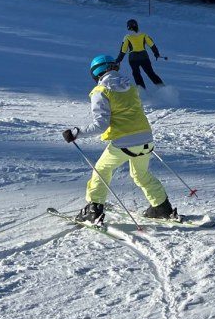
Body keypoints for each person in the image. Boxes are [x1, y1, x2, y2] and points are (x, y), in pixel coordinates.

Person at [62, 54, 179, 223]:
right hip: (146, 139)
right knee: (141, 174)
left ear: (96, 72)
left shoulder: (101, 91)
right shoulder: (130, 87)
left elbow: (101, 125)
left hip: (124, 142)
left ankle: (93, 210)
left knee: (101, 170)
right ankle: (162, 207)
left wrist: (76, 133)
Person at [117, 19, 164, 87]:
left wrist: (118, 60)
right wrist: (156, 54)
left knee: (136, 74)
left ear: (128, 27)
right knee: (150, 73)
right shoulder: (144, 35)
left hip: (133, 58)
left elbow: (123, 51)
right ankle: (163, 88)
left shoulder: (127, 37)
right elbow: (152, 45)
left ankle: (142, 90)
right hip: (144, 57)